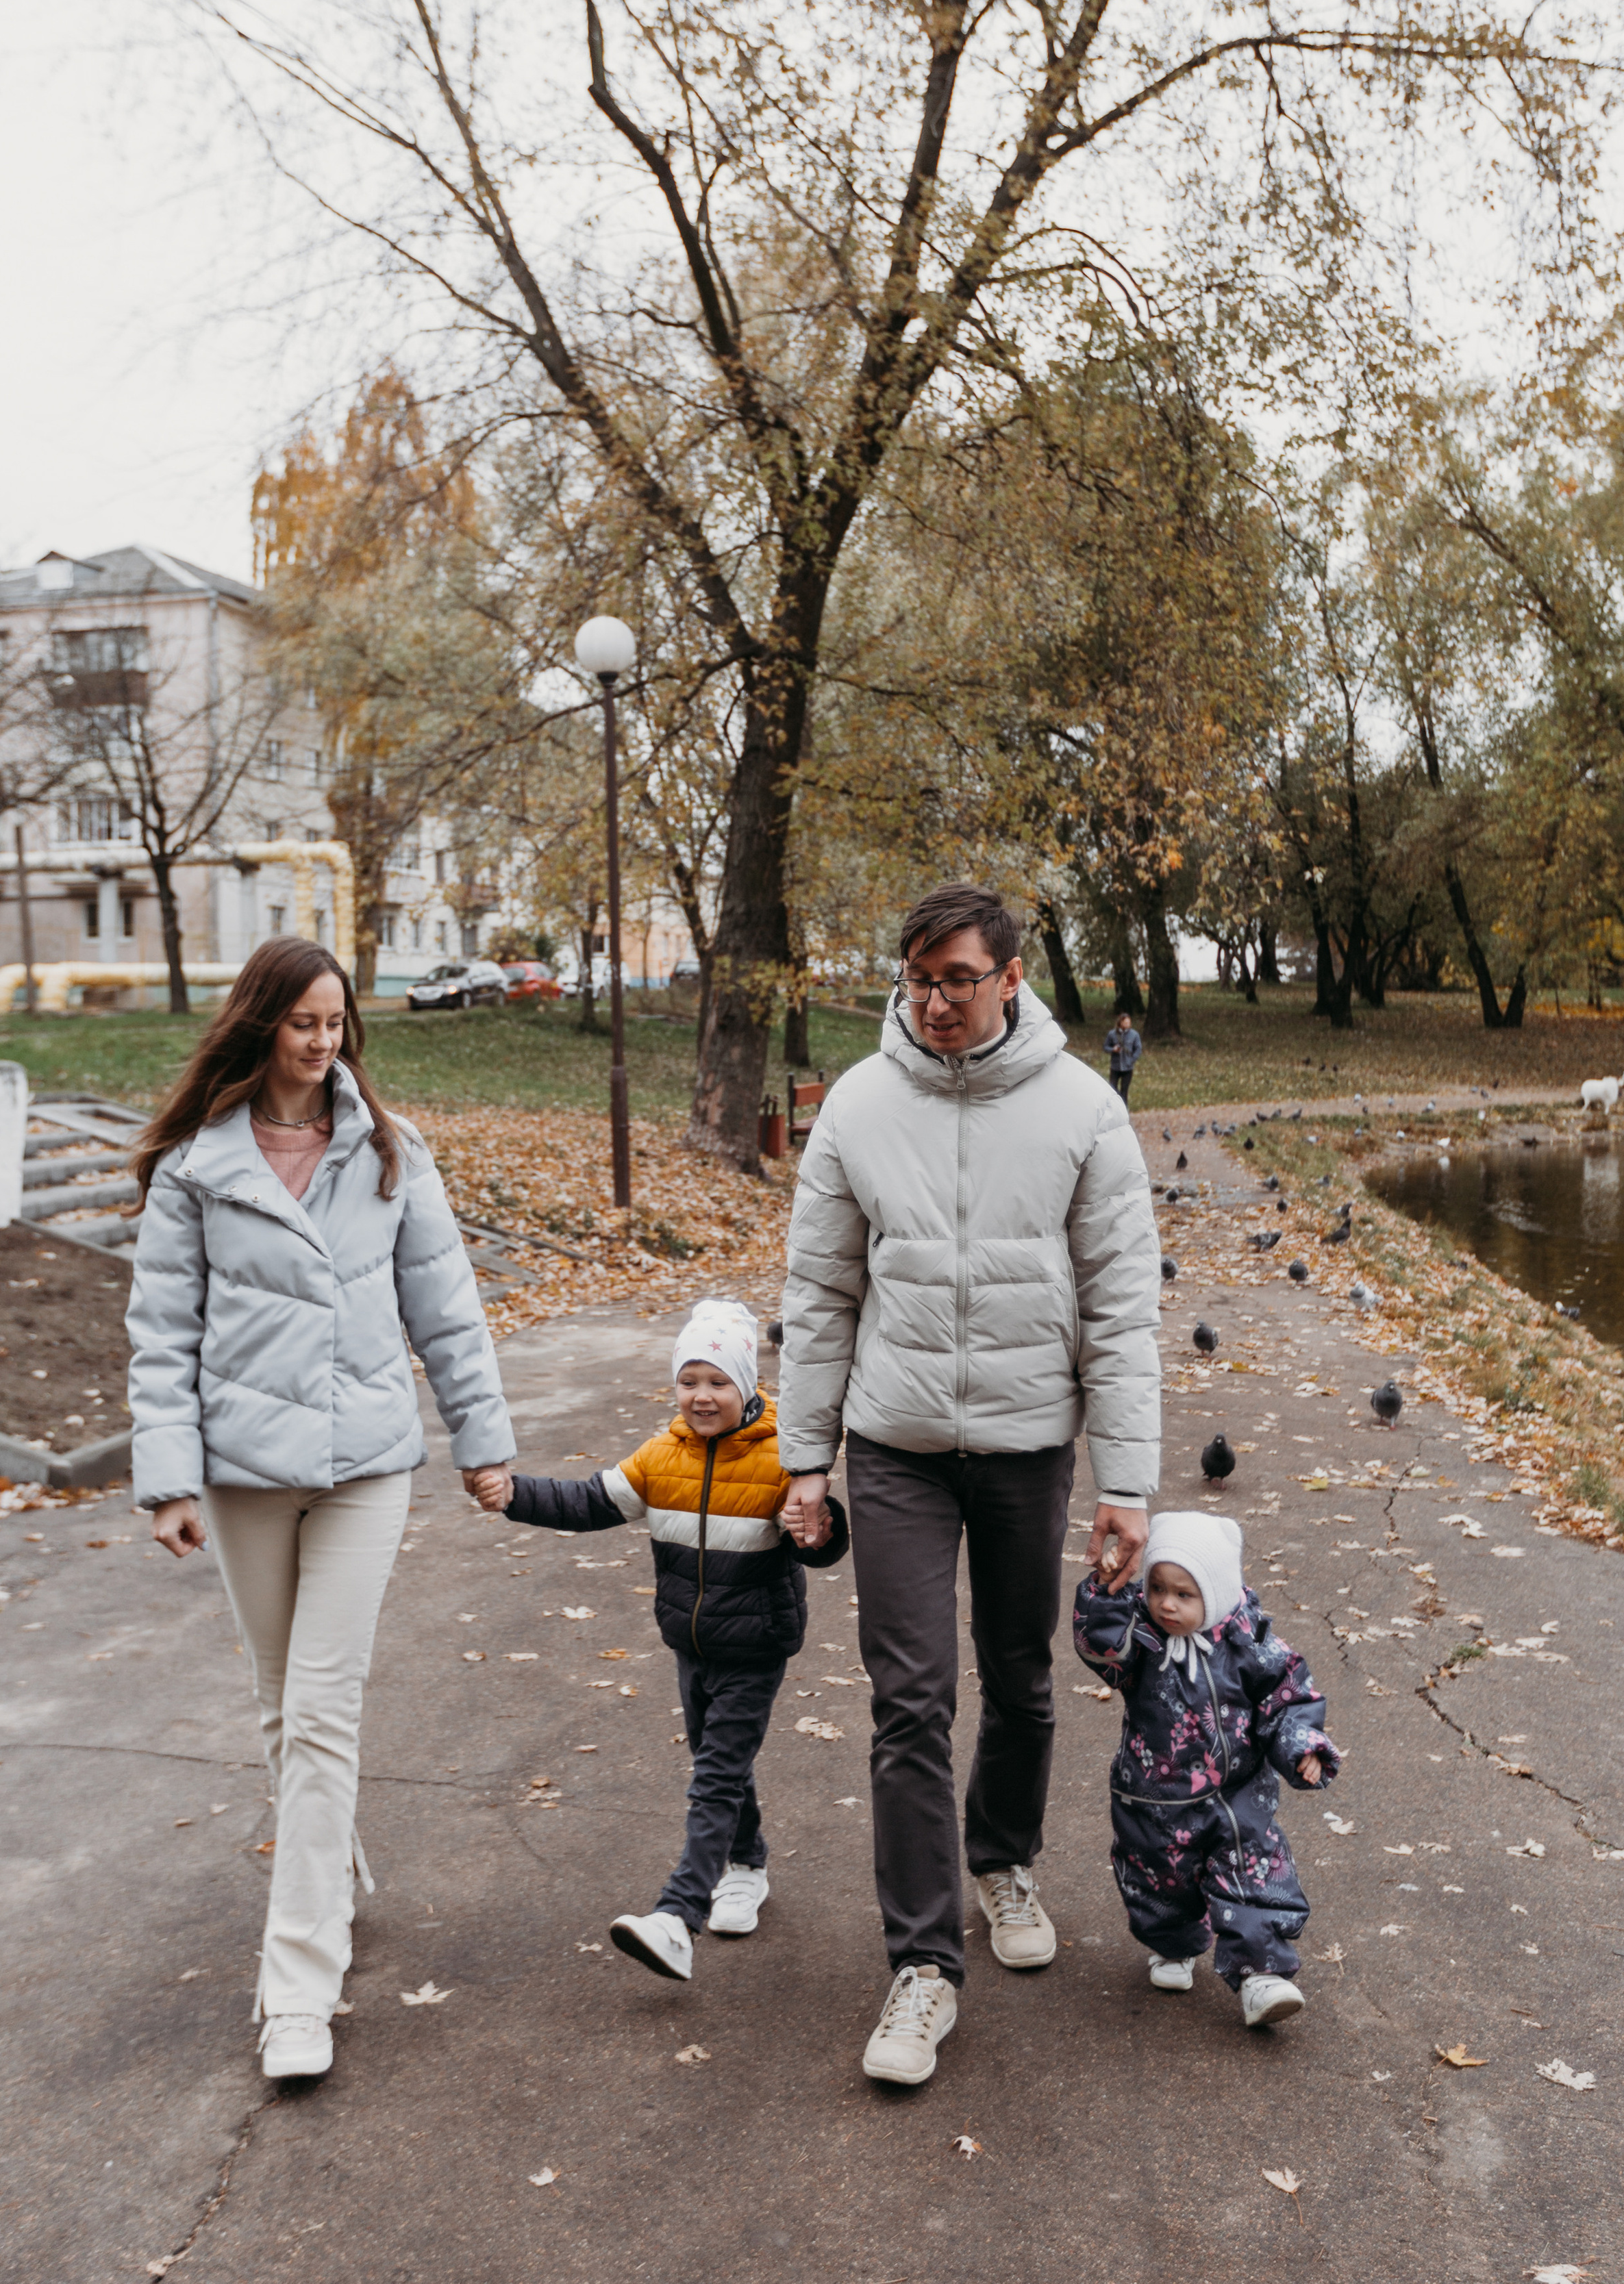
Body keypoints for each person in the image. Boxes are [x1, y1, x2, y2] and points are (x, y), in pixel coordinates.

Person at [779, 882, 1162, 2086]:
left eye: (957, 977)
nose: (934, 1000)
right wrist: (803, 1456)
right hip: (892, 1445)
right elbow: (820, 1294)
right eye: (917, 977)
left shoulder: (1086, 1112)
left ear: (1010, 976)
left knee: (1019, 1674)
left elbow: (1122, 1311)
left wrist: (1128, 1482)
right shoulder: (857, 1104)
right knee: (909, 1696)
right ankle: (924, 1968)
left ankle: (1000, 1857)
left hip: (1026, 1444)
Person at [127, 936, 516, 2084]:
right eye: (303, 1021)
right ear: (262, 1026)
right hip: (246, 1474)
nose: (323, 1041)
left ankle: (298, 1982)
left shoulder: (389, 1155)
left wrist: (483, 1446)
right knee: (276, 1702)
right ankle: (328, 1865)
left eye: (337, 1022)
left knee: (321, 1707)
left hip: (363, 1469)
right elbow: (162, 1336)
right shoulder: (197, 1171)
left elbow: (449, 1314)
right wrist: (167, 1479)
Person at [471, 1299, 847, 1981]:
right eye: (689, 1381)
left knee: (714, 1775)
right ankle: (746, 1865)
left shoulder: (779, 1460)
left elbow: (819, 1543)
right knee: (715, 1761)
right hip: (691, 1642)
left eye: (717, 1382)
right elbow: (586, 1502)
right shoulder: (659, 1456)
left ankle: (678, 1914)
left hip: (755, 1645)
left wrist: (816, 1529)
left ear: (747, 1386)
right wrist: (513, 1495)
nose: (701, 1397)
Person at [1073, 1510, 1338, 2026]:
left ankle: (1262, 1974)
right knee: (1158, 1878)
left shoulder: (1249, 1644)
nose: (1167, 1604)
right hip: (1153, 1793)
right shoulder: (1143, 1639)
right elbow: (1101, 1648)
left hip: (1235, 1793)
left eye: (1184, 1594)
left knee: (1253, 1872)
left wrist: (1302, 1744)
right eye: (1157, 1588)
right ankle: (1173, 1945)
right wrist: (1104, 1596)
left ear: (1214, 1594)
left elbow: (1287, 1699)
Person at [1103, 1009, 1143, 1103]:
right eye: (1126, 1022)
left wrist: (1132, 1060)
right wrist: (1113, 1049)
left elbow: (1138, 1049)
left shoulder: (1134, 1035)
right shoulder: (1112, 1034)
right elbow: (1105, 1047)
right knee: (1112, 1089)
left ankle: (1124, 1109)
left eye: (1129, 1022)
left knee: (1124, 1091)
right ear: (1120, 1022)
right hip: (1115, 1067)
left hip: (1128, 1068)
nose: (1128, 1024)